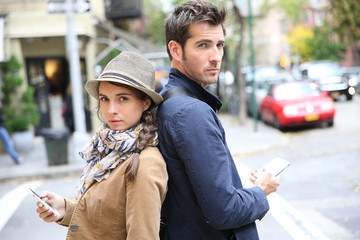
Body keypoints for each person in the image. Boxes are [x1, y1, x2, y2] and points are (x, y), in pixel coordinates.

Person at [156, 1, 280, 239]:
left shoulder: (168, 101)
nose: (216, 57)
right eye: (203, 45)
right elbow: (225, 210)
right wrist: (262, 190)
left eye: (219, 45)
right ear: (176, 50)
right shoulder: (191, 112)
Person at [36, 51, 168, 240]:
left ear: (146, 102)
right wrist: (66, 209)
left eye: (123, 98)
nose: (111, 110)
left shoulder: (145, 164)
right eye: (104, 99)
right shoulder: (106, 149)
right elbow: (108, 222)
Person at [0, 100, 24, 164]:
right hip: (1, 129)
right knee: (8, 143)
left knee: (8, 143)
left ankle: (16, 159)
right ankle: (16, 159)